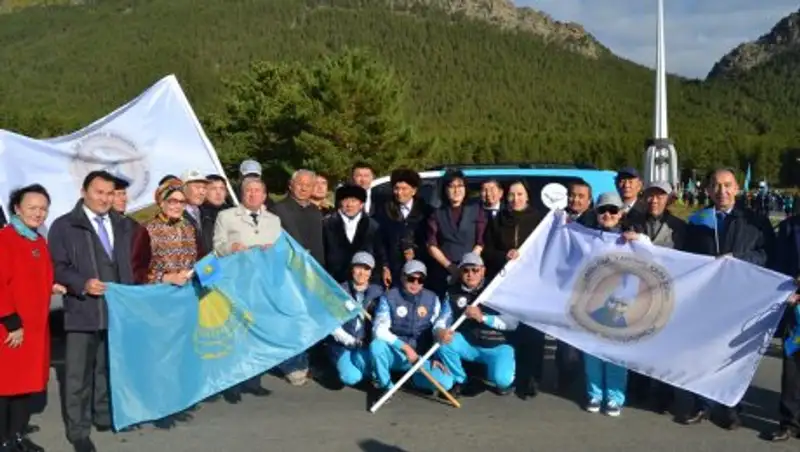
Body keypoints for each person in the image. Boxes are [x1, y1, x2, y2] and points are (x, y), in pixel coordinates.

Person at [48, 170, 137, 452]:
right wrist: (82, 284)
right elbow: (58, 266)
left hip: (116, 310)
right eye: (99, 192)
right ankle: (78, 430)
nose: (104, 198)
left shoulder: (123, 225)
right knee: (77, 376)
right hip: (82, 310)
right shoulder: (64, 226)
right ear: (84, 191)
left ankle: (103, 415)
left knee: (107, 368)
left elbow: (133, 265)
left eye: (110, 193)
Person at [680, 167, 774, 430]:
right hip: (705, 299)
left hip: (739, 299)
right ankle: (701, 404)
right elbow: (684, 257)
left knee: (733, 356)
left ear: (737, 188)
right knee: (702, 354)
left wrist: (739, 261)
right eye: (716, 186)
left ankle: (731, 407)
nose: (722, 191)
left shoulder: (755, 221)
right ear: (708, 190)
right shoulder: (698, 220)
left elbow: (767, 255)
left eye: (728, 185)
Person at [129, 179, 199, 428]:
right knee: (158, 353)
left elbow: (197, 259)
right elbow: (136, 269)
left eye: (181, 202)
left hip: (184, 300)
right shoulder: (147, 229)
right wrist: (164, 277)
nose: (177, 206)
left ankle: (176, 401)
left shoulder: (189, 227)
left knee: (180, 351)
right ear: (161, 201)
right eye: (172, 201)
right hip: (157, 300)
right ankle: (155, 404)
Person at [0, 184, 64, 452]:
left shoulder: (37, 240)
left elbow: (35, 276)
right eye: (32, 208)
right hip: (11, 327)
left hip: (36, 326)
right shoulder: (5, 239)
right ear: (17, 208)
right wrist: (11, 322)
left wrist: (53, 286)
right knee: (6, 386)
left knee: (25, 384)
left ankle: (17, 434)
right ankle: (4, 440)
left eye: (43, 209)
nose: (38, 213)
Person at [582, 192, 650, 417]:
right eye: (603, 210)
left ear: (621, 214)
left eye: (613, 210)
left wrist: (639, 239)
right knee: (592, 352)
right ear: (596, 213)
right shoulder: (587, 238)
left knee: (616, 355)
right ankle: (594, 393)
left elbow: (654, 256)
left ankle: (614, 397)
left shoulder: (630, 239)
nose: (608, 215)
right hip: (591, 305)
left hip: (621, 305)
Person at [620, 181, 686, 412]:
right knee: (637, 343)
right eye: (650, 196)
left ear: (668, 199)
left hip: (668, 294)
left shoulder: (680, 227)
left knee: (664, 348)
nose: (654, 200)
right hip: (637, 293)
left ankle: (664, 396)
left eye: (660, 196)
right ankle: (637, 390)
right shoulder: (631, 223)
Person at [481, 180, 544, 399]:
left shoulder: (540, 221)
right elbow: (487, 252)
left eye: (519, 194)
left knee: (533, 334)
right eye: (511, 195)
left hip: (532, 286)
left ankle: (531, 379)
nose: (515, 199)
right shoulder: (498, 221)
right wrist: (503, 255)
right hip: (506, 285)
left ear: (527, 197)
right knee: (511, 333)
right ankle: (512, 375)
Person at [369, 260, 454, 400]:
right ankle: (386, 386)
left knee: (446, 382)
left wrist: (435, 356)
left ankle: (412, 380)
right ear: (402, 277)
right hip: (397, 353)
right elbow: (379, 330)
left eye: (420, 280)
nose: (415, 283)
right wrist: (405, 348)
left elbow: (438, 327)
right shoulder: (389, 297)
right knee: (376, 345)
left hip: (419, 356)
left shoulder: (432, 298)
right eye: (411, 278)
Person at [435, 252, 517, 397]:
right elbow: (443, 319)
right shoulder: (453, 292)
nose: (470, 274)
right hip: (469, 344)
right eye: (466, 270)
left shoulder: (496, 288)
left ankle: (495, 373)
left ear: (483, 270)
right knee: (442, 342)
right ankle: (461, 380)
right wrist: (440, 330)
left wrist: (483, 318)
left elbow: (512, 324)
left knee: (502, 381)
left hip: (496, 346)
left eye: (475, 270)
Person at [426, 170, 486, 297]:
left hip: (472, 271)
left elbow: (480, 241)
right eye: (452, 186)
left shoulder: (476, 209)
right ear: (445, 189)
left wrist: (468, 264)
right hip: (445, 270)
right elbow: (432, 245)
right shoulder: (437, 213)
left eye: (460, 186)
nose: (456, 190)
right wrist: (451, 267)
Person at [328, 252, 384, 387]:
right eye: (358, 267)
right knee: (350, 377)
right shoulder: (340, 291)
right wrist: (350, 341)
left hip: (365, 343)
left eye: (366, 269)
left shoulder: (378, 292)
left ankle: (363, 367)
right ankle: (338, 364)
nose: (362, 273)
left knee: (372, 369)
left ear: (371, 272)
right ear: (352, 268)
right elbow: (332, 324)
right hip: (343, 344)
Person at [767, 213, 800, 442]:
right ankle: (789, 422)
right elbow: (779, 264)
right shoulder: (789, 227)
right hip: (796, 307)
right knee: (792, 368)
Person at [373, 169, 430, 289]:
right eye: (396, 188)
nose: (399, 193)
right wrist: (384, 266)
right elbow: (380, 242)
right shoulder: (384, 211)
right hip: (393, 270)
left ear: (413, 191)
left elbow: (430, 240)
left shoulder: (426, 212)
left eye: (404, 189)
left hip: (419, 272)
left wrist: (416, 252)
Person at [322, 185, 385, 284]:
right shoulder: (327, 224)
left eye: (354, 201)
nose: (349, 205)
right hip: (333, 281)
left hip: (364, 282)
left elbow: (380, 255)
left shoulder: (373, 226)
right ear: (339, 203)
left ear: (361, 204)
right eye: (345, 200)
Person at [271, 169, 325, 266]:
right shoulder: (278, 210)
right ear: (291, 185)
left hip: (316, 268)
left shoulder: (316, 211)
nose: (303, 189)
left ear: (312, 188)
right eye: (300, 184)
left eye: (308, 185)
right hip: (290, 266)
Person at [180, 169, 211, 257]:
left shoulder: (208, 214)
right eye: (197, 187)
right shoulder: (173, 218)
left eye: (204, 188)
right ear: (183, 188)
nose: (202, 192)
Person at [200, 174, 233, 249]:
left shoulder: (234, 212)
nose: (218, 192)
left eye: (222, 188)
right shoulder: (198, 213)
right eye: (213, 188)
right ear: (204, 191)